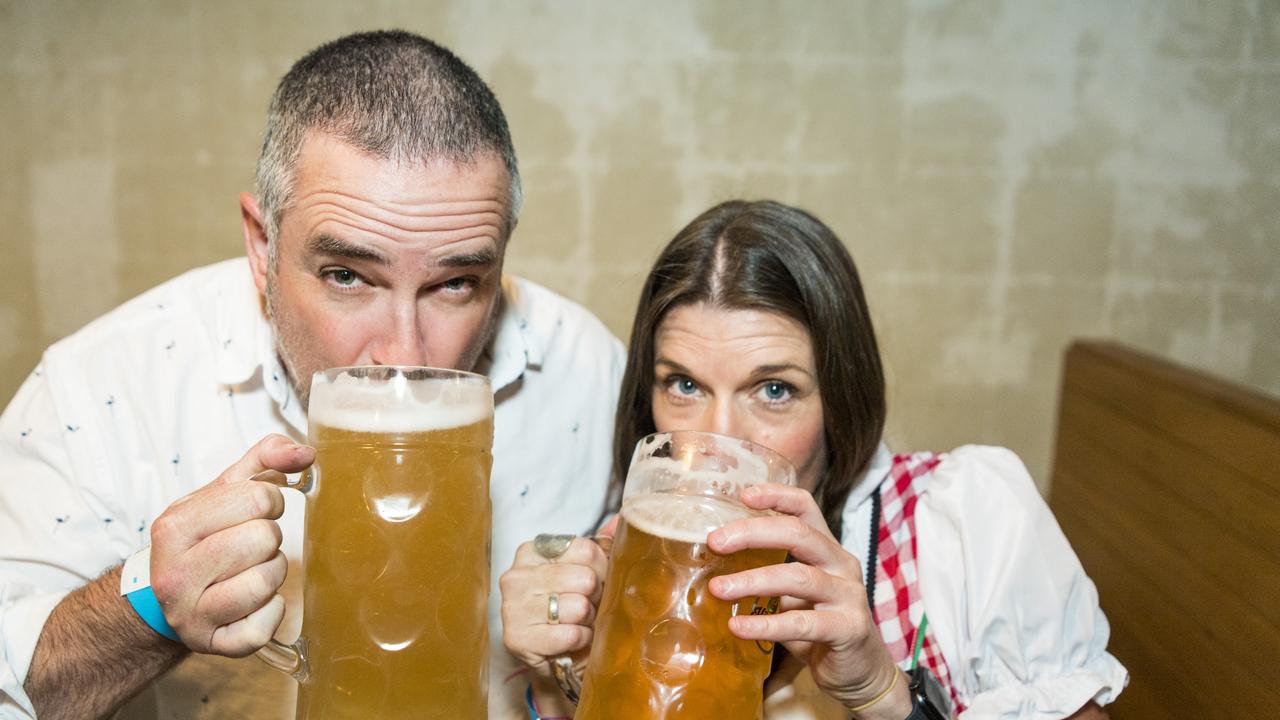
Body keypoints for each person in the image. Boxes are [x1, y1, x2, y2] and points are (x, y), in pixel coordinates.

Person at [0, 31, 624, 720]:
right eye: (347, 276)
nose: (401, 355)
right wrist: (148, 607)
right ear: (261, 246)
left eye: (456, 283)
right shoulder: (99, 389)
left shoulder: (592, 375)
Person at [501, 200, 1128, 719]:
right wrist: (571, 682)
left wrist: (880, 691)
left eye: (774, 390)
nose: (721, 445)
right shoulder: (635, 559)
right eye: (684, 385)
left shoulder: (965, 523)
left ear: (841, 397)